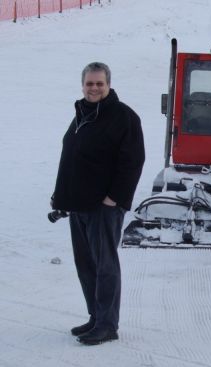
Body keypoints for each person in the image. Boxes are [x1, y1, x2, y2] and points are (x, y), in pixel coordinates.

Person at [51, 62, 145, 345]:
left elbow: (132, 162)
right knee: (86, 264)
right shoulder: (82, 113)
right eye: (89, 83)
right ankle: (95, 317)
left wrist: (113, 199)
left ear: (108, 85)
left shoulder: (123, 116)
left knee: (105, 265)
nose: (94, 88)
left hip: (103, 207)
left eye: (99, 84)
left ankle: (107, 325)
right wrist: (60, 196)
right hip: (79, 204)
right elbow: (71, 157)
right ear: (83, 85)